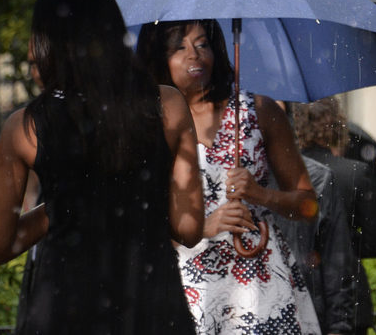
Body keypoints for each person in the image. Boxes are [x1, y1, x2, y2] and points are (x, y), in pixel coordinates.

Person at [0, 0, 204, 334]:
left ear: (46, 41)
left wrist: (58, 207)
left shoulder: (25, 128)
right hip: (151, 308)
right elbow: (189, 229)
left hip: (65, 311)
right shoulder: (170, 106)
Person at [136, 19, 320, 334]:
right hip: (186, 286)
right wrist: (199, 228)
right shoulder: (145, 125)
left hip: (261, 288)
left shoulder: (259, 110)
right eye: (179, 47)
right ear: (157, 58)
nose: (194, 55)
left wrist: (262, 195)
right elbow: (135, 220)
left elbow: (308, 207)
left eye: (202, 43)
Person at [293, 98, 376, 335]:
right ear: (337, 124)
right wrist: (342, 244)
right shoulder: (353, 173)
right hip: (349, 295)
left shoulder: (287, 173)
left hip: (298, 291)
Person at [270, 104, 357, 335]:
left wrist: (339, 327)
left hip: (303, 310)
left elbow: (335, 260)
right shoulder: (219, 175)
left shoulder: (318, 177)